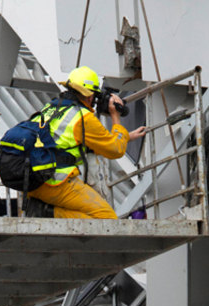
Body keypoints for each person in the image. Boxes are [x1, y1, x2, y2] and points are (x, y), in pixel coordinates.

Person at [27, 66, 146, 219]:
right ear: (89, 96)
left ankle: (47, 210)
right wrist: (115, 115)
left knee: (86, 214)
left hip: (33, 179)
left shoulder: (51, 108)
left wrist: (126, 136)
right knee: (106, 217)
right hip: (54, 181)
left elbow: (72, 142)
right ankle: (49, 213)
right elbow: (116, 150)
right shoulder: (83, 117)